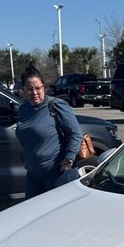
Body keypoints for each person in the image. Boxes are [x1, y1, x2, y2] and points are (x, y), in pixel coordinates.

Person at [16, 66, 83, 199]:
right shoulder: (23, 109)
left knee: (62, 216)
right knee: (33, 213)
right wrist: (25, 158)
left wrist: (69, 158)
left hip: (59, 173)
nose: (34, 92)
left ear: (44, 87)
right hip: (34, 174)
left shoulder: (56, 105)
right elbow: (25, 137)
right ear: (23, 90)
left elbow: (75, 133)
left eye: (38, 88)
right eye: (29, 89)